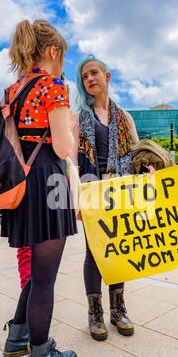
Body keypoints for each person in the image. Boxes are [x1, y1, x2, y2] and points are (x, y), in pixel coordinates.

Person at [1, 19, 78, 357]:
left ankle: (17, 336)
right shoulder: (52, 85)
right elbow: (63, 148)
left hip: (22, 185)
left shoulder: (14, 88)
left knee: (35, 273)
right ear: (52, 52)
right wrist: (72, 128)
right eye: (62, 55)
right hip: (49, 182)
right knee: (45, 277)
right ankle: (41, 354)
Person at [71, 54, 139, 341]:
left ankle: (118, 308)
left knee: (119, 250)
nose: (89, 79)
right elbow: (72, 161)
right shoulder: (77, 118)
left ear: (107, 76)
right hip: (91, 190)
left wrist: (148, 170)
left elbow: (137, 153)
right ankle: (95, 312)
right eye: (84, 76)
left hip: (120, 193)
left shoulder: (124, 117)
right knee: (94, 252)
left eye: (93, 73)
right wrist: (76, 198)